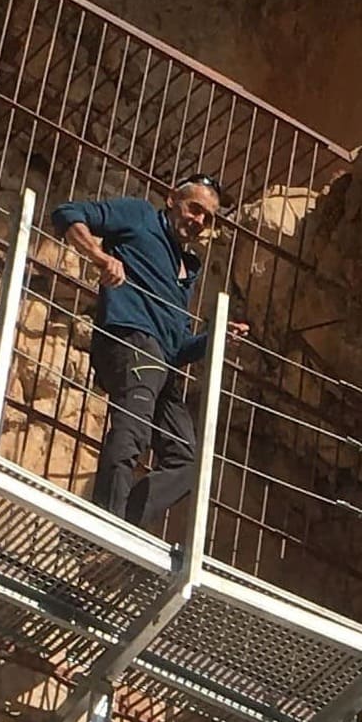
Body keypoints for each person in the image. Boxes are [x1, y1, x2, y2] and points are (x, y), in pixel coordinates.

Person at [50, 175, 239, 531]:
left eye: (207, 218)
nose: (198, 220)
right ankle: (101, 528)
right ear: (172, 200)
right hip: (132, 340)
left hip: (161, 362)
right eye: (194, 208)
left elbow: (179, 347)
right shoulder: (139, 216)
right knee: (131, 432)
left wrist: (216, 337)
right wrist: (100, 257)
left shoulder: (187, 269)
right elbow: (67, 212)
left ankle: (122, 528)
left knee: (190, 464)